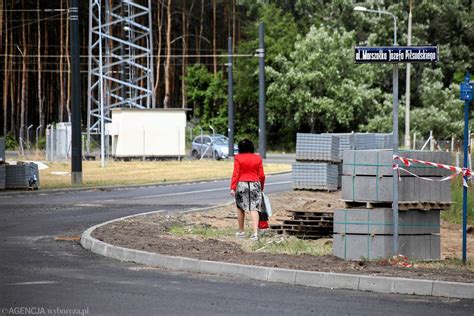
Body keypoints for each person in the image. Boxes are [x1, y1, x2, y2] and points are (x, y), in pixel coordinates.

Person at [230, 139, 265, 241]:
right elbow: (262, 175)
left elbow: (236, 174)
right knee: (254, 208)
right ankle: (255, 233)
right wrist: (261, 186)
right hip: (255, 184)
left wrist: (232, 187)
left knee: (240, 208)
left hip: (241, 184)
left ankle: (241, 231)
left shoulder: (238, 158)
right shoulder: (257, 158)